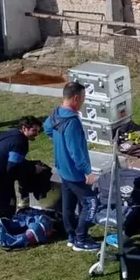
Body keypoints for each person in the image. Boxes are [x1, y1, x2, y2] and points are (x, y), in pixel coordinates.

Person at [45, 82, 101, 252]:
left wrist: (58, 142)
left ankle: (71, 235)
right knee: (91, 203)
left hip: (62, 169)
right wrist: (87, 172)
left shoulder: (55, 114)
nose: (83, 102)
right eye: (83, 98)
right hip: (75, 172)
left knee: (68, 204)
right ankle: (81, 239)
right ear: (76, 98)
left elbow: (47, 128)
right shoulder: (72, 123)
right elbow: (76, 152)